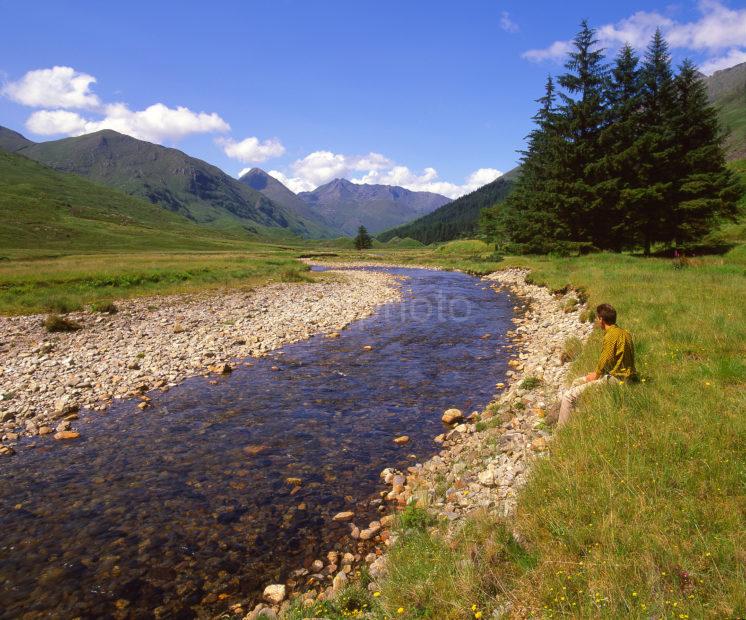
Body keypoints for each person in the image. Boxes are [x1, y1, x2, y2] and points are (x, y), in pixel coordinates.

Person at [557, 303, 636, 426]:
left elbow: (606, 360)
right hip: (626, 377)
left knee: (568, 397)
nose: (597, 321)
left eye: (597, 318)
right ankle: (575, 421)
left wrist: (597, 375)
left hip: (616, 380)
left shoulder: (610, 336)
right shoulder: (625, 333)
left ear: (602, 320)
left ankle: (560, 434)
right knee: (577, 382)